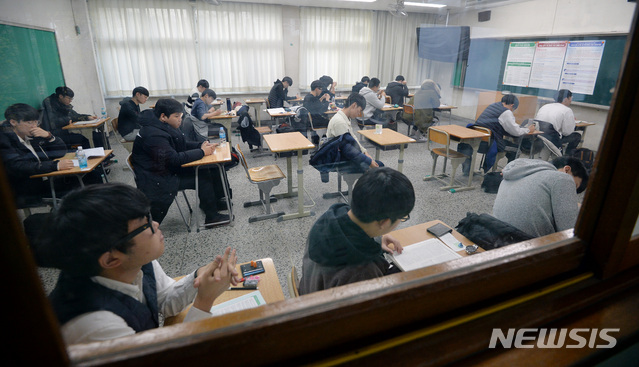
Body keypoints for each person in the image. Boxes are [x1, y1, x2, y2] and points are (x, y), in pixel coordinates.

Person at [37, 183, 240, 345]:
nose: (156, 225)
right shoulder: (96, 326)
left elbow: (164, 301)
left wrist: (200, 277)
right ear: (110, 259)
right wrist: (204, 302)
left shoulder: (133, 261)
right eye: (145, 224)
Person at [298, 167, 415, 295]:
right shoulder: (364, 271)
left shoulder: (327, 220)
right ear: (384, 222)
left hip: (312, 293)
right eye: (402, 217)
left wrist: (377, 240)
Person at [131, 98, 229, 225]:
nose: (180, 119)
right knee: (203, 177)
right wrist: (202, 152)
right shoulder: (153, 135)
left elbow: (180, 144)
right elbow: (174, 159)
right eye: (176, 116)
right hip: (158, 179)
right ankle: (212, 216)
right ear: (163, 116)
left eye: (181, 116)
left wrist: (201, 145)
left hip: (165, 169)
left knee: (209, 167)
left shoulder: (162, 125)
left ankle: (212, 204)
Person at [0, 103, 98, 207]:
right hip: (29, 187)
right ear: (13, 122)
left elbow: (61, 152)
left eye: (36, 122)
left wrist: (48, 136)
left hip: (48, 177)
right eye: (29, 122)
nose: (34, 126)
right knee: (79, 189)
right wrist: (55, 166)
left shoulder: (33, 134)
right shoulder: (5, 141)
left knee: (92, 174)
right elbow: (18, 166)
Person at [492, 157, 589, 238]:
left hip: (495, 235)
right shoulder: (562, 178)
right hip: (529, 247)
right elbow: (568, 231)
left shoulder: (520, 171)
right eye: (574, 186)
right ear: (567, 170)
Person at [459, 94, 535, 175]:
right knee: (516, 149)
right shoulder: (506, 112)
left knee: (508, 144)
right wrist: (528, 130)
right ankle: (508, 174)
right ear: (512, 105)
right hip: (489, 144)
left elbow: (503, 124)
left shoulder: (493, 105)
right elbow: (516, 132)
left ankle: (468, 171)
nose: (512, 111)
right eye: (513, 109)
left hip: (478, 140)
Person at [325, 93, 382, 172]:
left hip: (347, 154)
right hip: (341, 159)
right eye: (359, 111)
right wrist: (369, 162)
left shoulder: (345, 117)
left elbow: (353, 137)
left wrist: (365, 152)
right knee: (379, 169)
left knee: (378, 166)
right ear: (354, 105)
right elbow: (348, 149)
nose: (358, 114)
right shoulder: (340, 121)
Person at [41, 86, 97, 150]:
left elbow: (75, 115)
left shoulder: (64, 104)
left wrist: (87, 117)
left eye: (71, 99)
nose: (70, 101)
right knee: (85, 139)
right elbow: (53, 123)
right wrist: (68, 120)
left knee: (95, 135)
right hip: (57, 135)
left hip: (66, 131)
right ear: (61, 96)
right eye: (69, 98)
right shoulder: (49, 105)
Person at [534, 89, 581, 156]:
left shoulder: (545, 106)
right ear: (565, 99)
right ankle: (567, 158)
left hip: (538, 135)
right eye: (571, 98)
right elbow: (567, 132)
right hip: (552, 138)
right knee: (577, 136)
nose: (571, 101)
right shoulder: (567, 110)